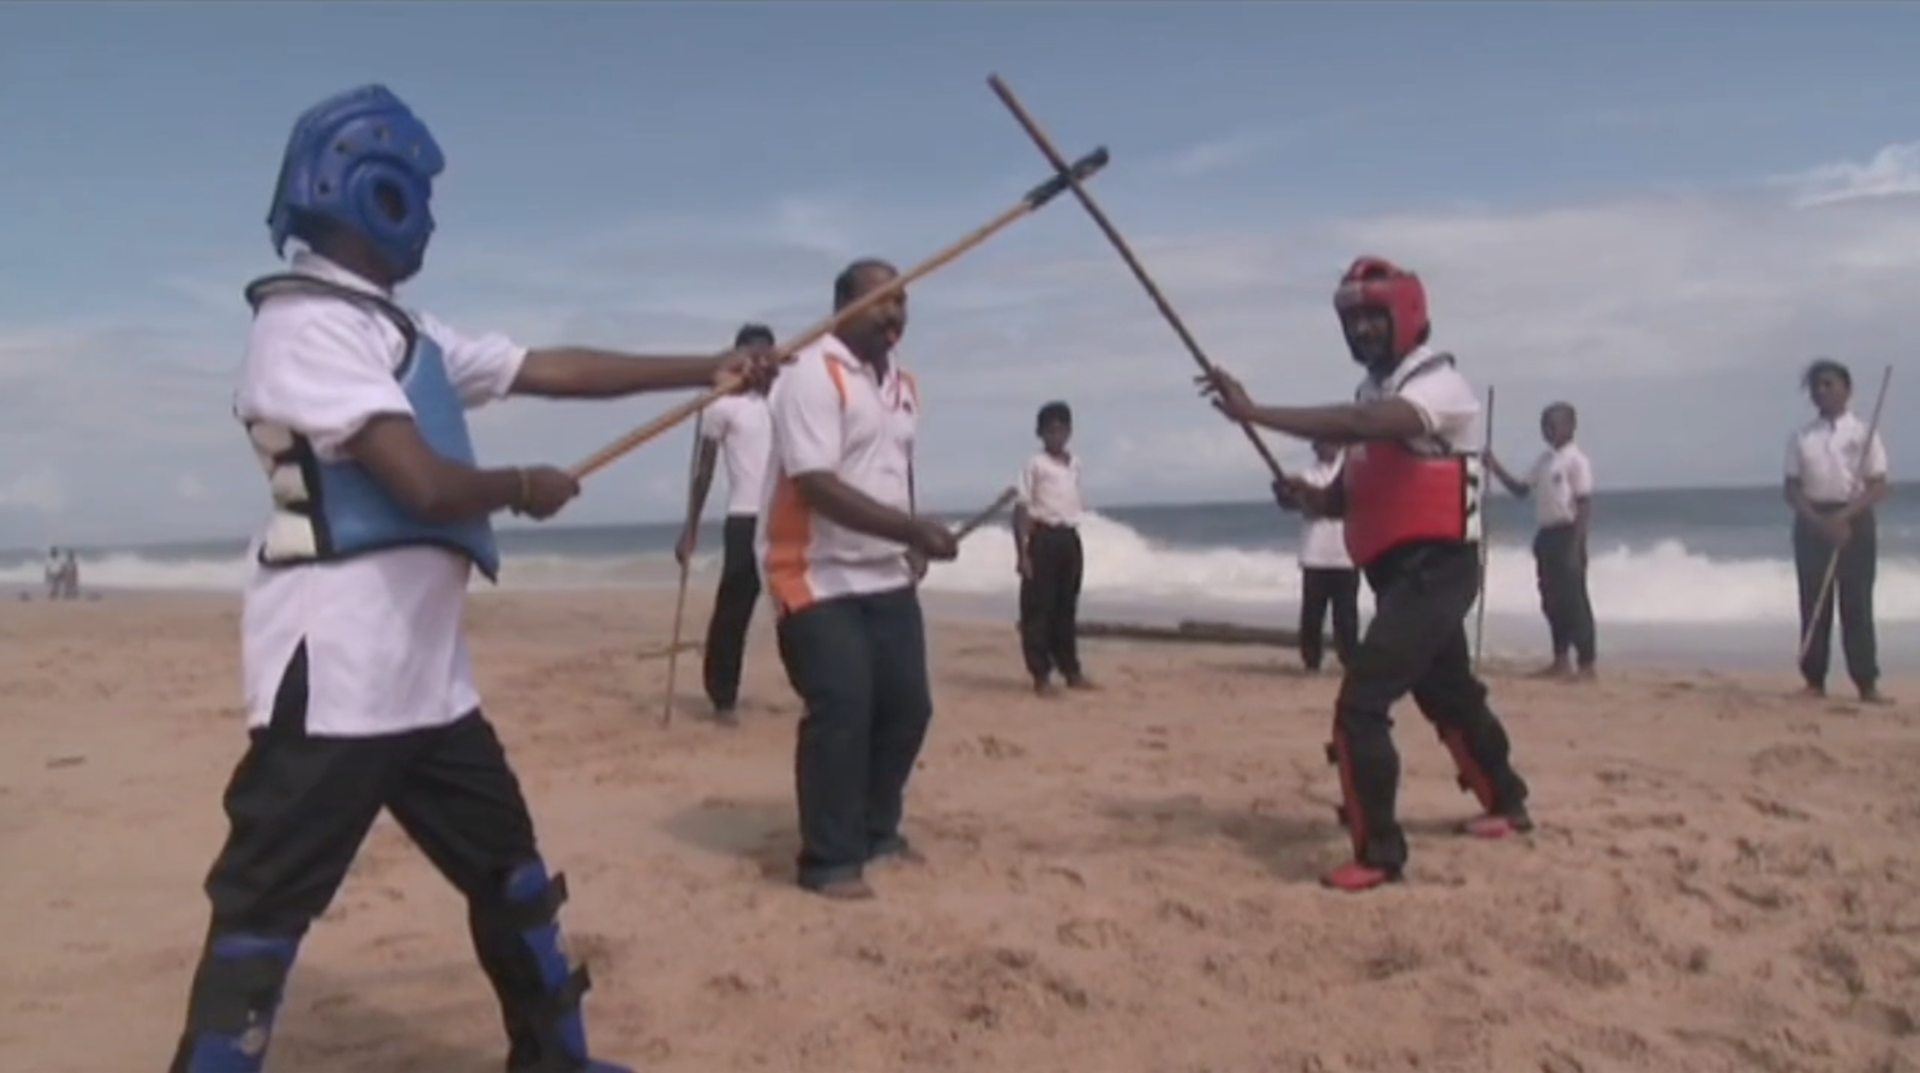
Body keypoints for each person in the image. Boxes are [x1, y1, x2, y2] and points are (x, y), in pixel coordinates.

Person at [166, 84, 774, 1073]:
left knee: (510, 871)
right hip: (337, 681)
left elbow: (549, 367)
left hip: (429, 684)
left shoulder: (401, 329)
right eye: (421, 197)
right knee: (264, 907)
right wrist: (523, 484)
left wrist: (711, 365)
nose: (433, 220)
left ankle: (552, 1058)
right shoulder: (303, 328)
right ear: (375, 194)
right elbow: (419, 479)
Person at [1197, 255, 1533, 894]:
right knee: (1450, 694)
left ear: (1406, 315)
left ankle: (1380, 852)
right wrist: (1313, 498)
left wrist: (1256, 412)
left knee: (1362, 702)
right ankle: (1507, 800)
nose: (1362, 333)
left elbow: (1362, 428)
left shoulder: (1440, 388)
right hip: (1396, 570)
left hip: (1439, 570)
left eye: (1373, 320)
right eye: (1352, 323)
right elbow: (1360, 489)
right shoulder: (1373, 393)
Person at [760, 258, 960, 901]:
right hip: (814, 574)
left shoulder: (902, 383)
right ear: (842, 305)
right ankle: (828, 859)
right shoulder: (809, 375)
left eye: (903, 303)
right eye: (881, 302)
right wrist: (911, 530)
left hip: (885, 574)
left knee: (907, 709)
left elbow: (895, 467)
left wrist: (909, 540)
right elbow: (816, 485)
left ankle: (878, 829)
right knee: (843, 707)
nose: (895, 314)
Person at [675, 322, 777, 725]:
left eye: (766, 357)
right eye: (751, 357)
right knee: (734, 609)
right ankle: (722, 695)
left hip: (784, 516)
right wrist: (691, 526)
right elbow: (704, 469)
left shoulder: (789, 399)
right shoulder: (722, 404)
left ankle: (816, 690)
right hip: (745, 517)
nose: (759, 365)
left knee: (801, 608)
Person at [1784, 358, 1891, 704]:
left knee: (1856, 602)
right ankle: (1814, 680)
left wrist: (1844, 517)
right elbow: (1791, 488)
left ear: (1847, 389)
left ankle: (1866, 682)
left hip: (1854, 519)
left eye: (1829, 384)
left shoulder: (1863, 432)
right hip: (1812, 520)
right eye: (1816, 386)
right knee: (1814, 602)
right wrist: (1819, 521)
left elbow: (1877, 485)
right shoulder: (1802, 437)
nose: (1821, 391)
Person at [1486, 402, 1598, 679]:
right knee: (1551, 600)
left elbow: (1583, 505)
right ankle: (1560, 660)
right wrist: (1494, 466)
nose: (1547, 431)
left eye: (1553, 425)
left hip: (1568, 532)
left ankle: (1586, 664)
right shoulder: (1545, 460)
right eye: (1544, 426)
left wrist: (1575, 547)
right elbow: (1521, 490)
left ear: (1570, 426)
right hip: (1546, 534)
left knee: (1574, 601)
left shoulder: (1576, 460)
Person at [1014, 400, 1094, 695]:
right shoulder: (1035, 464)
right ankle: (1041, 675)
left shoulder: (1076, 464)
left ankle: (1071, 669)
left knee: (1066, 607)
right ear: (1041, 433)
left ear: (1069, 431)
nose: (1056, 435)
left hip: (1068, 538)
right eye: (1050, 430)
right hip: (1043, 537)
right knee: (1038, 609)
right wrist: (1022, 553)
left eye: (1061, 429)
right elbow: (1021, 508)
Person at [1287, 440, 1361, 674]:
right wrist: (1289, 493)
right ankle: (1311, 660)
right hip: (1315, 553)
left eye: (1331, 443)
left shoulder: (1351, 473)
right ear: (1315, 448)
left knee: (1346, 613)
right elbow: (1291, 502)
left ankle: (1349, 659)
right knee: (1312, 612)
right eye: (1322, 444)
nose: (1327, 448)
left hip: (1346, 551)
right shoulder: (1307, 475)